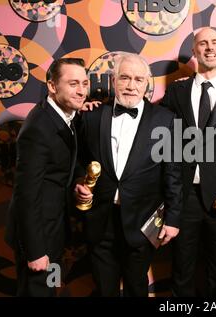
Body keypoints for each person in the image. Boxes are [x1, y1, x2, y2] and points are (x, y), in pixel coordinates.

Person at [75, 52, 182, 297]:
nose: (131, 86)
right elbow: (78, 161)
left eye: (138, 79)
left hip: (143, 221)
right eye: (124, 78)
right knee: (104, 289)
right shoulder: (91, 116)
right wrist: (79, 183)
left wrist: (174, 218)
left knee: (137, 287)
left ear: (146, 83)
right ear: (114, 81)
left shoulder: (165, 120)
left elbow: (173, 173)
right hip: (100, 219)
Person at [160, 27, 216, 296]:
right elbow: (154, 127)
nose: (209, 47)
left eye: (215, 43)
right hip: (184, 197)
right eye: (203, 43)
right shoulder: (177, 92)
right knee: (181, 270)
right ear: (194, 51)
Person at [6, 58, 88, 296]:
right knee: (37, 292)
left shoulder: (65, 116)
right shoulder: (38, 128)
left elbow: (64, 163)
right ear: (52, 86)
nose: (81, 90)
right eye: (73, 83)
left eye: (84, 83)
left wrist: (77, 182)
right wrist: (35, 251)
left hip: (54, 228)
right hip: (38, 236)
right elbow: (26, 194)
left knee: (49, 290)